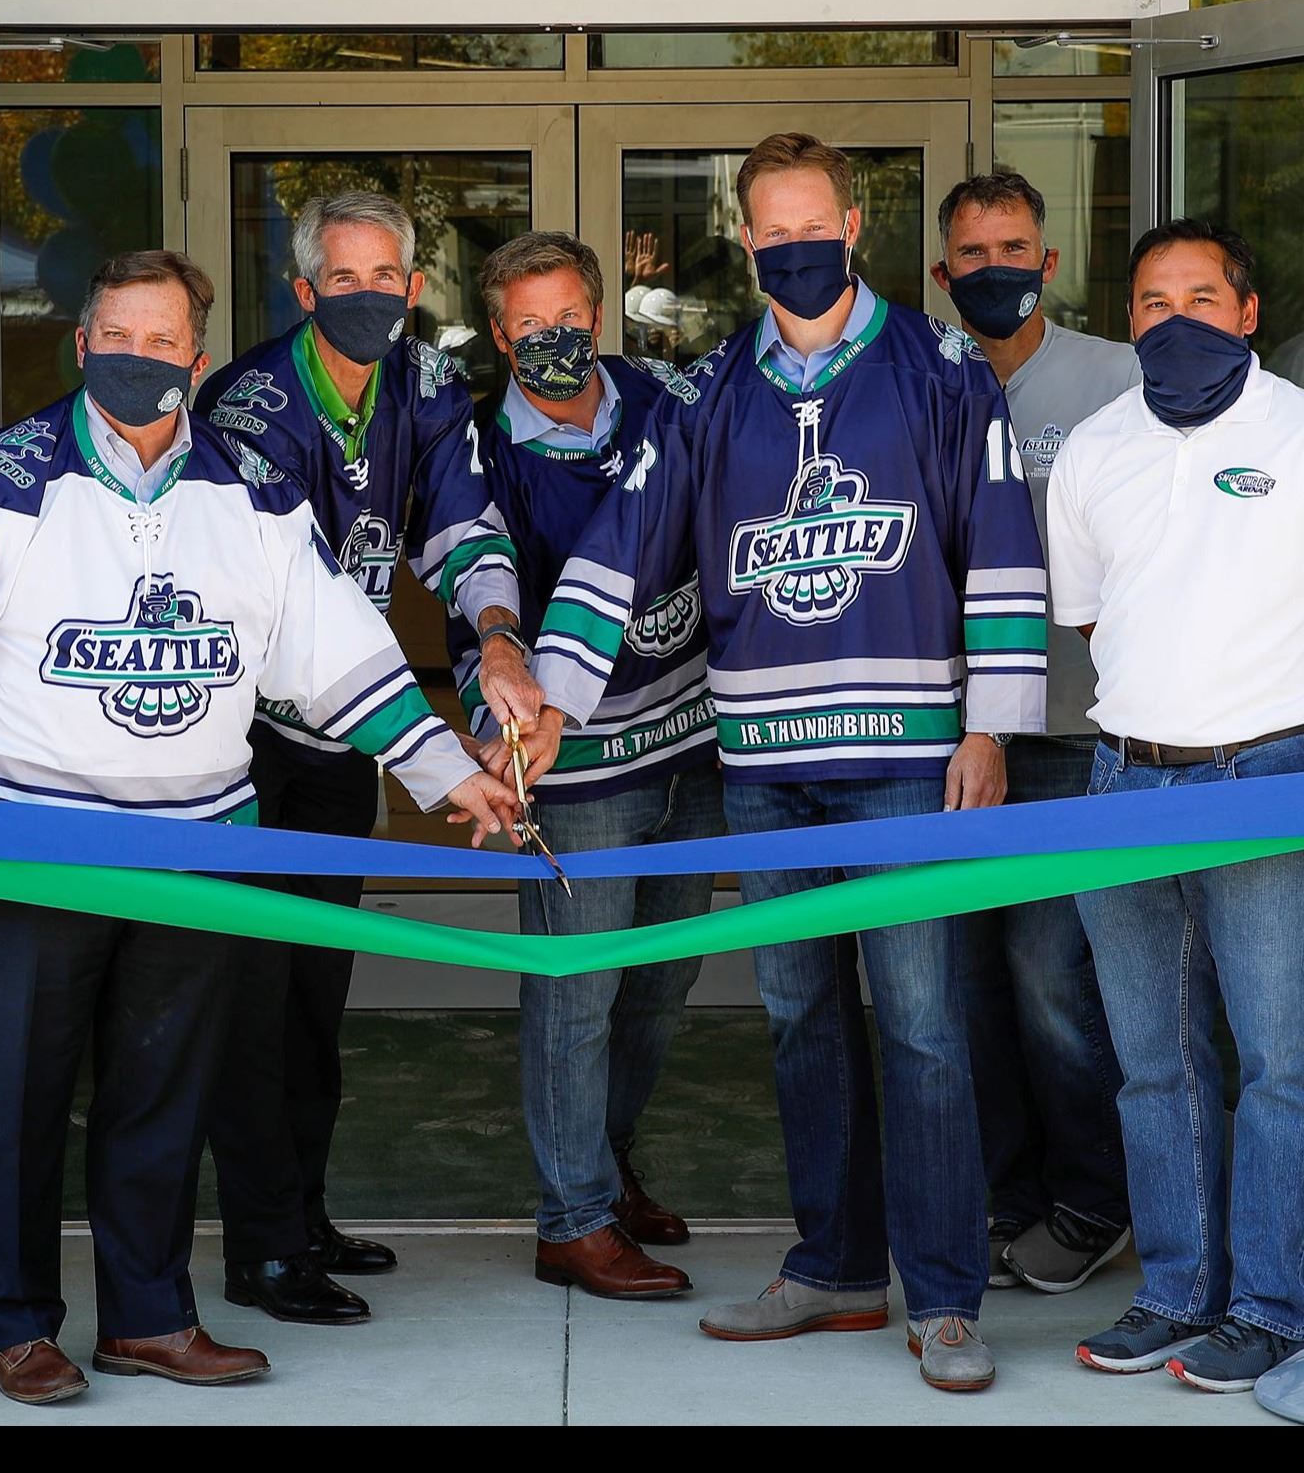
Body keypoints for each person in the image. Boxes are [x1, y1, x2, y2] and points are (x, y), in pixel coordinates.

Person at [0, 249, 520, 1405]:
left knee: (160, 1094)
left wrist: (443, 769)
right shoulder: (2, 482)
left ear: (196, 357)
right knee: (18, 1098)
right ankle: (15, 1325)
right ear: (83, 344)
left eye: (163, 340)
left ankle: (149, 1316)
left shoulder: (253, 490)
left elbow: (334, 650)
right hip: (36, 848)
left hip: (197, 849)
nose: (139, 357)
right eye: (118, 336)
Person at [531, 133, 1048, 1393]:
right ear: (748, 236)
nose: (798, 244)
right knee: (803, 1022)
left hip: (909, 758)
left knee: (923, 1026)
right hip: (762, 763)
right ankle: (834, 1265)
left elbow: (1001, 544)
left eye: (817, 223)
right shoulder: (706, 390)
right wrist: (547, 704)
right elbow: (623, 543)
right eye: (775, 228)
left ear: (854, 226)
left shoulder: (940, 369)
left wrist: (991, 725)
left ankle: (945, 1296)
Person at [1048, 217, 1304, 1393]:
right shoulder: (1096, 448)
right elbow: (1091, 613)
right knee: (1152, 1063)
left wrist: (1285, 700)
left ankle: (1271, 1308)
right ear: (1128, 319)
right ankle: (1175, 1291)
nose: (1177, 320)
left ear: (1250, 312)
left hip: (1267, 780)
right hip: (1124, 780)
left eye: (1202, 298)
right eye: (1154, 302)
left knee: (1278, 1062)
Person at [194, 190, 546, 1324]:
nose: (367, 297)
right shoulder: (247, 405)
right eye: (342, 280)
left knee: (317, 990)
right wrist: (432, 752)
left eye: (385, 277)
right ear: (304, 291)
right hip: (249, 744)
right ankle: (261, 1249)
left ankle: (304, 1212)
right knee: (254, 1001)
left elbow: (463, 526)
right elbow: (299, 609)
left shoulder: (429, 382)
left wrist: (499, 636)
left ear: (412, 286)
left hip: (347, 739)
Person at [456, 230, 722, 1301]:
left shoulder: (667, 402)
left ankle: (604, 1171)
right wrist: (503, 688)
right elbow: (476, 587)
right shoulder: (480, 448)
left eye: (570, 317)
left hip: (690, 740)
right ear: (498, 334)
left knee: (660, 982)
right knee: (578, 995)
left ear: (600, 317)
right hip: (577, 766)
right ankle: (570, 1219)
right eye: (530, 324)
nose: (554, 338)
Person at [928, 172, 1134, 1293]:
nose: (995, 267)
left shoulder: (1117, 377)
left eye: (1015, 248)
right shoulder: (918, 375)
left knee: (1052, 975)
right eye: (974, 252)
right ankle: (1009, 1196)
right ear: (942, 272)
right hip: (938, 736)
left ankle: (1094, 1197)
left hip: (1068, 730)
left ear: (1049, 263)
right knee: (964, 982)